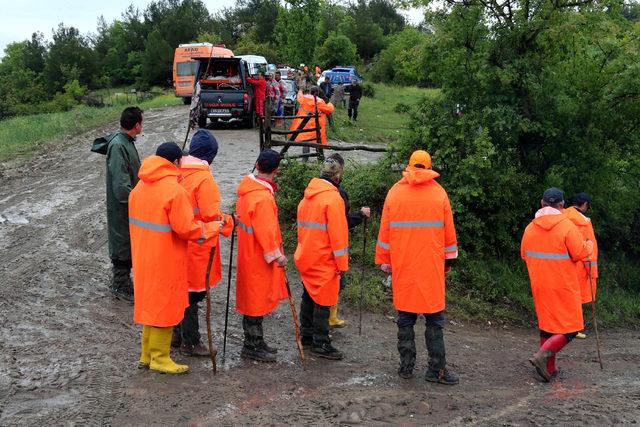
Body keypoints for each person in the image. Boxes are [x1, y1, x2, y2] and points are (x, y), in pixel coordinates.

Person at [129, 142, 217, 375]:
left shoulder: (140, 187)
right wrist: (210, 228)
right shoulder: (174, 190)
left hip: (143, 255)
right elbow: (186, 229)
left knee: (151, 305)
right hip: (165, 258)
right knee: (164, 307)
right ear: (177, 162)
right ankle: (160, 358)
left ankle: (147, 355)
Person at [375, 150, 459, 384]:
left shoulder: (395, 193)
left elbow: (385, 232)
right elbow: (449, 234)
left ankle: (406, 367)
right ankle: (436, 371)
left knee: (405, 318)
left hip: (404, 266)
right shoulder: (439, 194)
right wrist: (448, 262)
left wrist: (385, 260)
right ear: (429, 166)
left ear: (410, 165)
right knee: (434, 320)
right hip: (431, 268)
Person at [521, 187, 594, 382]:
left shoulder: (530, 227)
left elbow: (523, 255)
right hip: (563, 285)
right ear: (562, 205)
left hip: (539, 284)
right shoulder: (567, 226)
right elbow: (580, 253)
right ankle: (542, 355)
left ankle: (549, 368)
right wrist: (589, 245)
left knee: (547, 326)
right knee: (571, 327)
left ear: (542, 203)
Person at [172, 129, 234, 357]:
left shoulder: (176, 171)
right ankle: (191, 342)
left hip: (177, 242)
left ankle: (177, 335)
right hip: (198, 244)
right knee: (193, 295)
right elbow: (211, 215)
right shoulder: (204, 179)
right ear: (210, 156)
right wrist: (230, 222)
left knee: (181, 290)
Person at [235, 149, 288, 362]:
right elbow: (266, 232)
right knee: (256, 301)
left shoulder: (247, 192)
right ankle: (252, 345)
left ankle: (256, 341)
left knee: (252, 298)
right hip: (259, 258)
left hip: (248, 254)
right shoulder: (263, 198)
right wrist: (277, 256)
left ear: (257, 165)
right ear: (276, 170)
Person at [295, 158, 350, 360]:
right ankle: (321, 342)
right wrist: (342, 265)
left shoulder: (307, 198)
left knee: (308, 296)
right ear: (337, 176)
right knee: (324, 301)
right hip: (324, 259)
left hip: (306, 255)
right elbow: (339, 238)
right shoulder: (333, 200)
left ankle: (307, 336)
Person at [91, 106, 143, 302]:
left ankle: (123, 281)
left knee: (128, 241)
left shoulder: (126, 141)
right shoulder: (118, 145)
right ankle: (120, 284)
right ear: (137, 125)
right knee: (122, 242)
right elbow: (121, 186)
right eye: (142, 122)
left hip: (130, 203)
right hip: (123, 205)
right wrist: (139, 201)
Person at [321, 154, 371, 328]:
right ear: (339, 172)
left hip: (315, 247)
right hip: (333, 247)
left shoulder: (315, 190)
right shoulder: (337, 195)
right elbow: (343, 223)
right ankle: (327, 319)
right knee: (337, 282)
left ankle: (327, 318)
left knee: (322, 285)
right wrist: (360, 215)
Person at [563, 192, 598, 340]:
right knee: (575, 298)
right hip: (579, 265)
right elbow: (585, 248)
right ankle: (574, 328)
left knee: (565, 296)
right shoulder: (582, 223)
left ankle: (562, 326)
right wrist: (591, 270)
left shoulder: (563, 216)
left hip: (563, 265)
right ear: (585, 204)